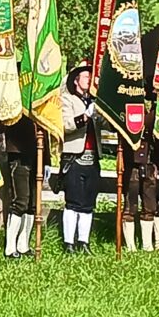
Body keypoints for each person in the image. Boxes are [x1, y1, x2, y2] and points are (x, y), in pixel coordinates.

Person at [60, 63, 99, 254]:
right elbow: (66, 125)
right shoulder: (67, 99)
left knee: (88, 201)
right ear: (76, 80)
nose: (89, 80)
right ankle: (69, 242)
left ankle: (84, 241)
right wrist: (85, 117)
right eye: (85, 77)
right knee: (73, 200)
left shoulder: (94, 101)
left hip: (93, 156)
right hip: (73, 156)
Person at [2, 113, 41, 259]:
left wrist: (47, 161)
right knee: (20, 201)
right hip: (18, 153)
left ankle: (23, 245)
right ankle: (10, 247)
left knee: (32, 204)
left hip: (37, 154)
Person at [123, 108, 159, 251]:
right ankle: (130, 246)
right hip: (131, 161)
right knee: (130, 207)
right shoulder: (128, 105)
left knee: (150, 206)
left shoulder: (155, 108)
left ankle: (147, 245)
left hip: (150, 162)